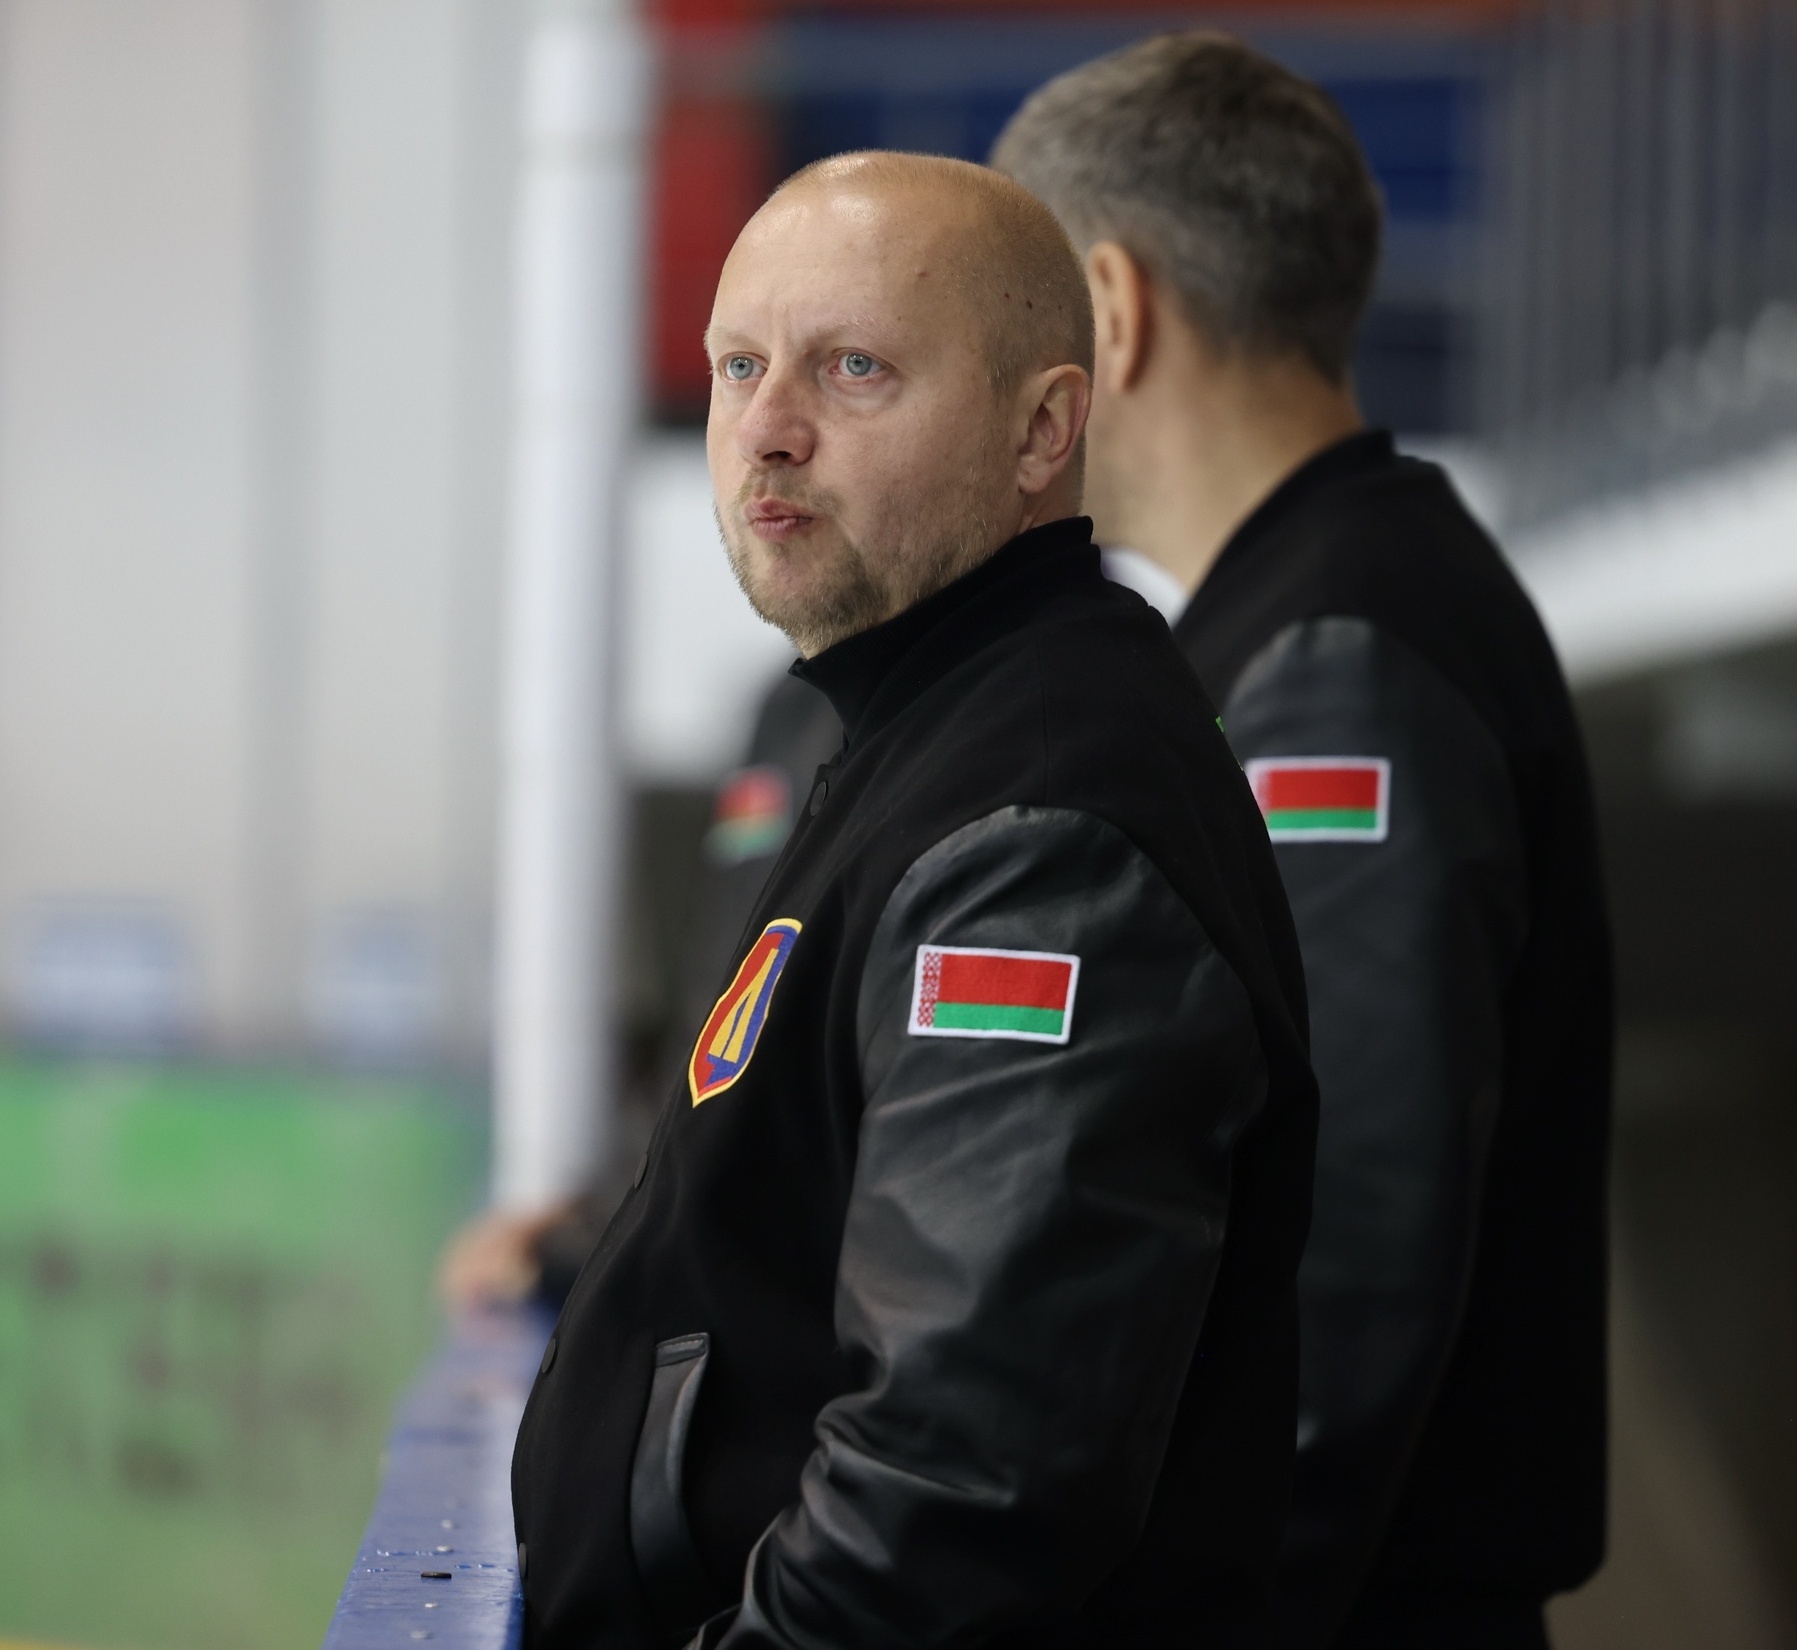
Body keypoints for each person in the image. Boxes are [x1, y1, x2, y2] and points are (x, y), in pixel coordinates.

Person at [510, 151, 1318, 1649]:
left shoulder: (1042, 824)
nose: (768, 429)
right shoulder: (925, 732)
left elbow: (963, 1490)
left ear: (1042, 431)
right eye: (739, 366)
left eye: (854, 369)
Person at [995, 34, 1613, 1650]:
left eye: (1011, 312)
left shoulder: (1338, 653)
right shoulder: (1313, 609)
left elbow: (1342, 1243)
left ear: (1110, 310)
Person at [438, 674, 841, 1310]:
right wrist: (597, 1222)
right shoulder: (796, 705)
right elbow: (727, 997)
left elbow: (758, 1017)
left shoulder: (866, 709)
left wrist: (596, 1232)